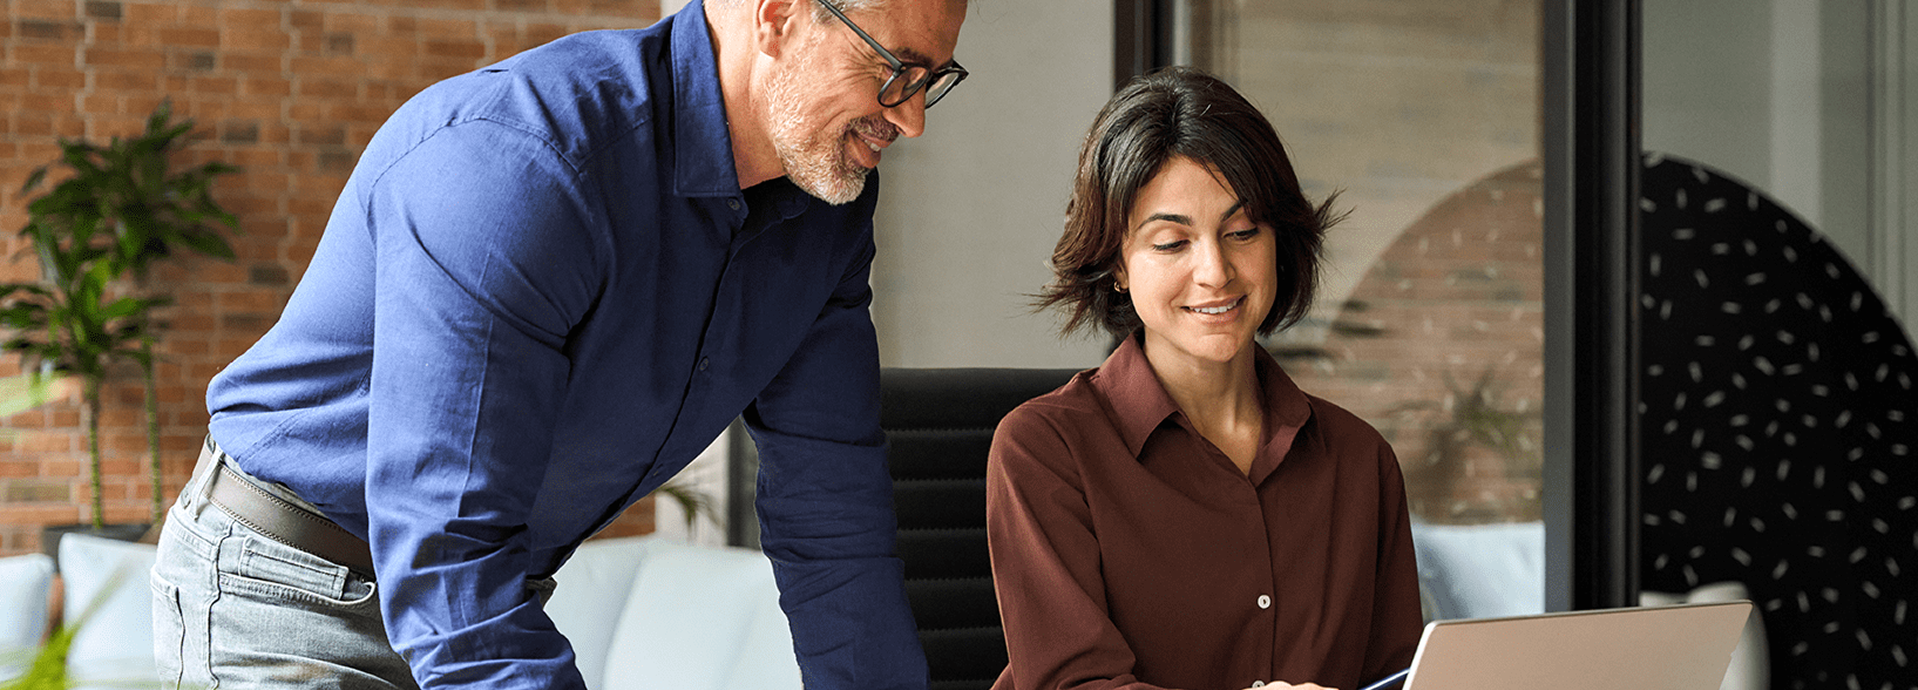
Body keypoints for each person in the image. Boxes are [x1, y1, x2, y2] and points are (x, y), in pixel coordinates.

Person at [149, 0, 968, 688]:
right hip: (289, 596)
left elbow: (832, 513)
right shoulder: (527, 163)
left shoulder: (825, 214)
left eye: (933, 78)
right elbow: (448, 545)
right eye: (894, 68)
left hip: (484, 600)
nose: (913, 118)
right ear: (779, 16)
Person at [985, 67, 1421, 690]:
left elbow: (1399, 679)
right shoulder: (1046, 450)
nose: (1216, 271)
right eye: (1171, 243)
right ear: (1116, 264)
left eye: (1242, 232)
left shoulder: (1359, 462)